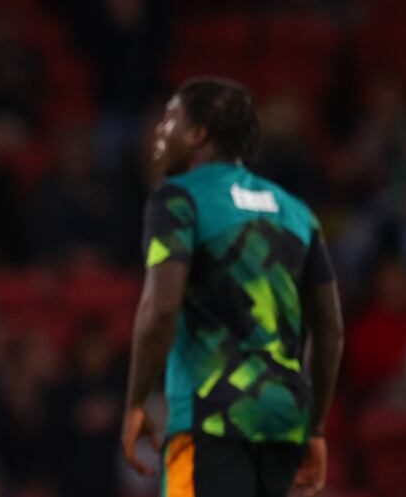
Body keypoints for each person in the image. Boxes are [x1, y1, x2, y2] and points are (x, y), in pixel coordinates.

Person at [121, 78, 344, 497]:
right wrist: (314, 427)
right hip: (283, 424)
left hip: (210, 418)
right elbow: (330, 329)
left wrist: (135, 402)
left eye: (170, 119)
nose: (159, 131)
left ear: (197, 133)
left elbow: (160, 309)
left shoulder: (177, 200)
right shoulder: (297, 212)